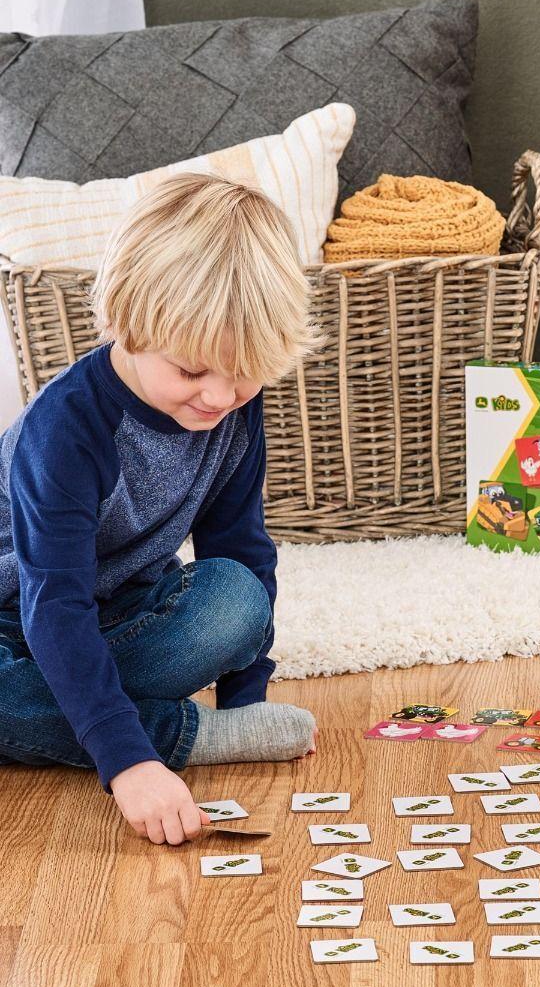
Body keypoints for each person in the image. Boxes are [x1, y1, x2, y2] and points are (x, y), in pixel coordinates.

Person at [0, 172, 326, 843]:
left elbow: (240, 547)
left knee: (235, 600)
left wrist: (246, 699)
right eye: (191, 371)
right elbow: (53, 607)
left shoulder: (233, 408)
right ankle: (180, 735)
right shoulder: (65, 430)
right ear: (128, 325)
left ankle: (76, 715)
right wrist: (130, 765)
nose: (219, 397)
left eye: (243, 373)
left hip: (123, 614)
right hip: (23, 615)